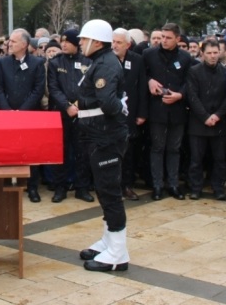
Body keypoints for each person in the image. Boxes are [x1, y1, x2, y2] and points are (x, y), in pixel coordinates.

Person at [74, 19, 130, 272]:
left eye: (84, 39)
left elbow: (107, 102)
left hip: (105, 136)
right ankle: (109, 240)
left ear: (97, 42)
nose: (80, 43)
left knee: (110, 191)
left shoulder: (105, 64)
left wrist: (120, 109)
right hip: (98, 134)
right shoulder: (100, 61)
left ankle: (118, 252)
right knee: (104, 189)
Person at [0, 28, 46, 202]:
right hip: (7, 115)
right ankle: (7, 184)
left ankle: (32, 187)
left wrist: (22, 112)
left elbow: (38, 90)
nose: (9, 44)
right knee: (7, 151)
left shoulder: (37, 63)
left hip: (29, 115)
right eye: (9, 41)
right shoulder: (2, 62)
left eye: (13, 41)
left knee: (31, 152)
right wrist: (7, 111)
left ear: (24, 44)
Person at [143, 23, 193, 200]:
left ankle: (173, 184)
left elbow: (190, 81)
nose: (164, 40)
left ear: (177, 39)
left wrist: (180, 95)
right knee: (157, 147)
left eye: (168, 38)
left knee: (174, 148)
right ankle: (157, 185)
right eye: (162, 37)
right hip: (157, 109)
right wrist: (149, 80)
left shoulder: (185, 57)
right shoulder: (149, 54)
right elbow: (141, 75)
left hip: (177, 109)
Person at [47, 29, 95, 203]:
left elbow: (91, 87)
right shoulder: (55, 62)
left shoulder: (88, 62)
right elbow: (53, 88)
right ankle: (60, 187)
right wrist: (66, 106)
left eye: (68, 41)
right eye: (62, 41)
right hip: (61, 113)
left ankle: (82, 187)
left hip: (82, 113)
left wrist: (79, 104)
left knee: (82, 152)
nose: (64, 44)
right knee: (61, 151)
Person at [185, 39, 226, 200]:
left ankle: (218, 188)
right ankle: (196, 188)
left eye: (215, 53)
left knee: (219, 159)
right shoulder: (194, 71)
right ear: (202, 54)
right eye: (209, 53)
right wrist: (205, 116)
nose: (212, 56)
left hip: (219, 122)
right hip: (198, 122)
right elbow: (192, 96)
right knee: (196, 159)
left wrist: (217, 115)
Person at [111, 28, 148, 201]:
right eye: (113, 42)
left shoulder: (137, 60)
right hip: (110, 114)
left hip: (130, 113)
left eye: (119, 42)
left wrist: (142, 113)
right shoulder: (106, 60)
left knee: (129, 152)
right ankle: (112, 186)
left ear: (128, 44)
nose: (115, 45)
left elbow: (142, 87)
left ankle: (127, 185)